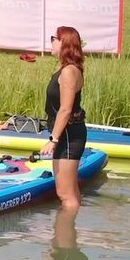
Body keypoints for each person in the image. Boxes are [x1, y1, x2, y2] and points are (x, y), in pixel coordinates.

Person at [40, 26, 87, 211]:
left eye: (54, 38)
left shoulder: (69, 71)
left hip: (67, 136)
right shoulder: (66, 68)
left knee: (65, 194)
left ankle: (65, 236)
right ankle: (66, 237)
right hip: (67, 134)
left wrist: (53, 139)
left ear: (64, 43)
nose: (51, 41)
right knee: (71, 192)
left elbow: (65, 109)